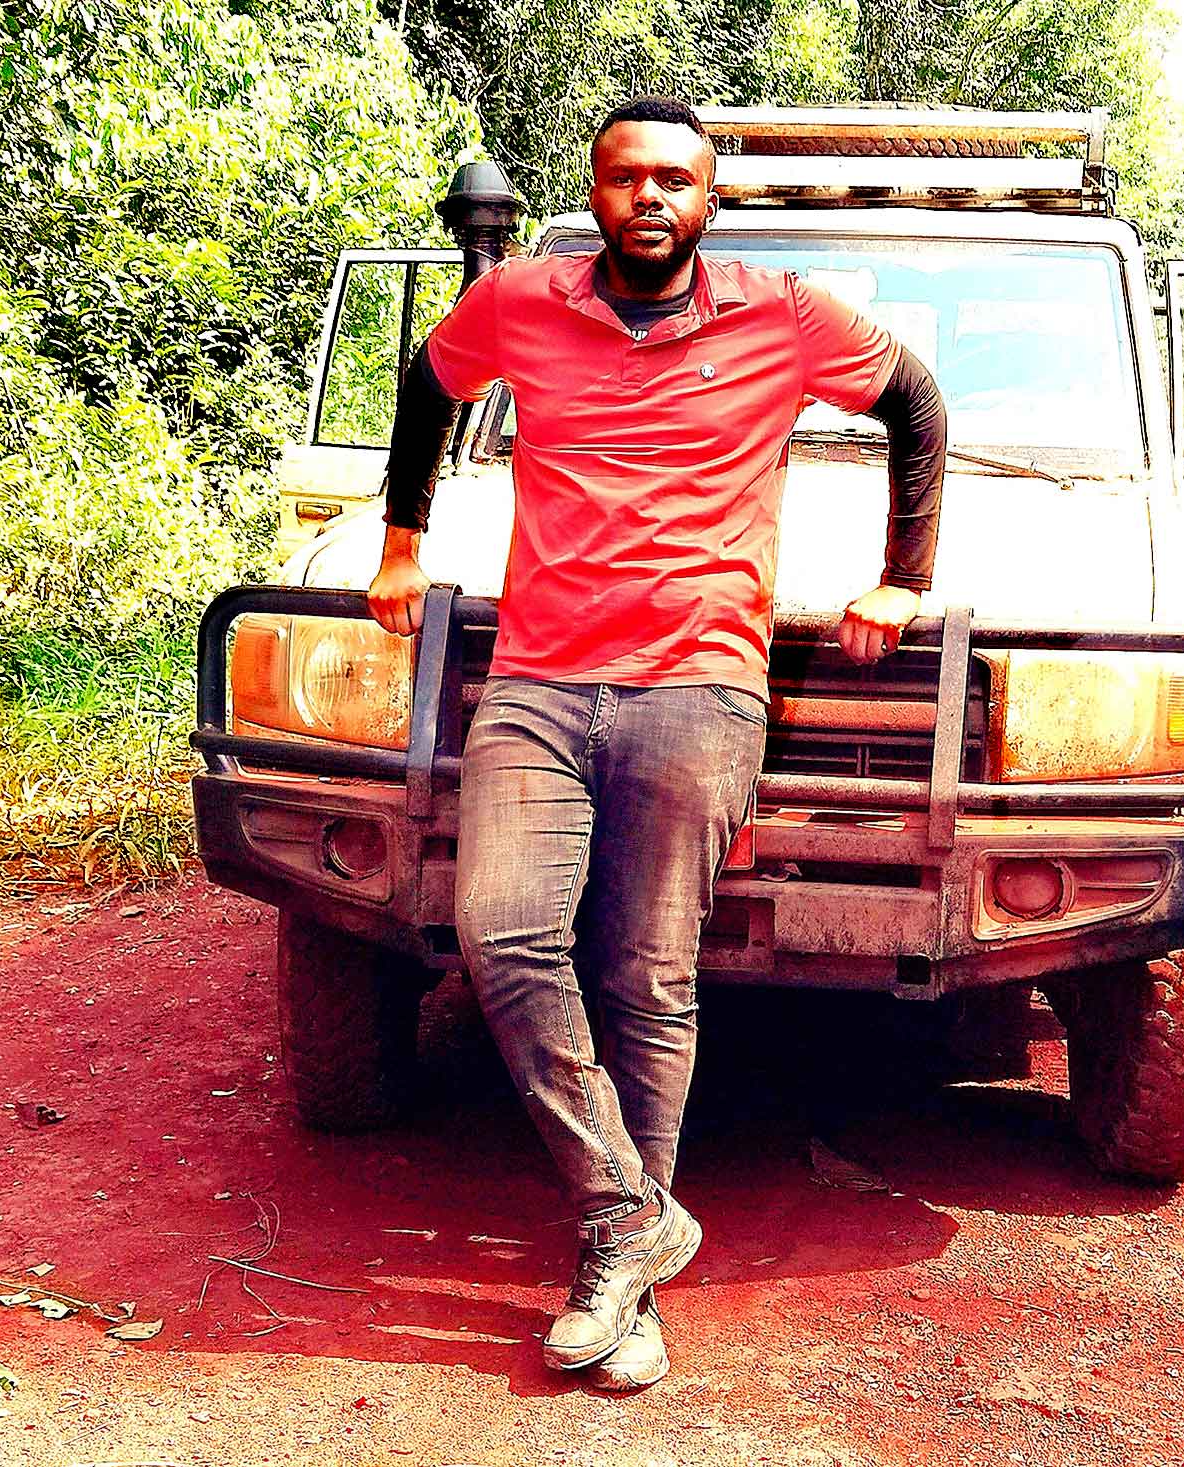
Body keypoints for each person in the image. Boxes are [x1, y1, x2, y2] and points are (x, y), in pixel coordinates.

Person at [365, 96, 947, 1390]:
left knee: (648, 975)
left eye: (673, 179)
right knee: (502, 933)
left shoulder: (782, 314)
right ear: (597, 188)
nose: (649, 198)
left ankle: (616, 1274)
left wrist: (902, 576)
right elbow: (427, 384)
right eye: (625, 177)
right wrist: (402, 541)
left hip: (700, 688)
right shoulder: (522, 301)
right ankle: (630, 1210)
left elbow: (913, 399)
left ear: (708, 197)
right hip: (539, 681)